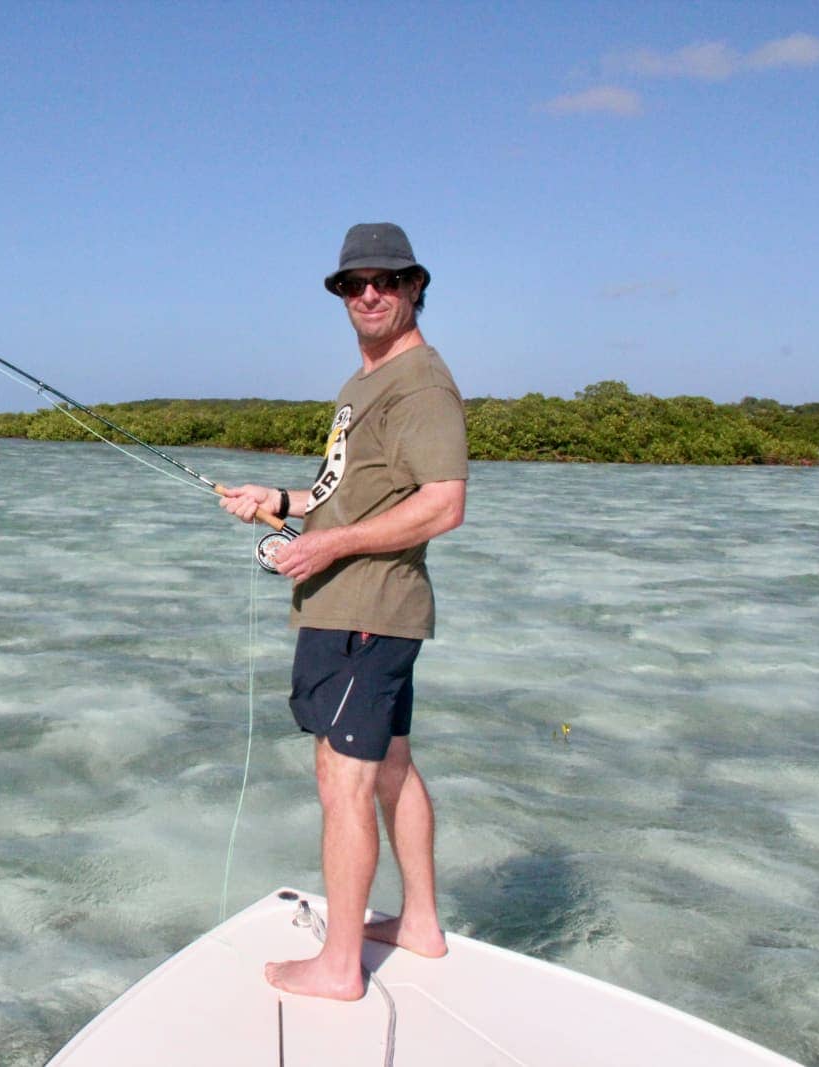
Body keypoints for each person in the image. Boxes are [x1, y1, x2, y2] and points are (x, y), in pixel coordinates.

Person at [220, 222, 468, 1000]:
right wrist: (281, 501)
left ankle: (339, 966)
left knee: (344, 779)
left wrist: (329, 549)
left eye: (385, 281)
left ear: (415, 287)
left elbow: (444, 504)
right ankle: (420, 922)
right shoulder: (364, 383)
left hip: (370, 611)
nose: (369, 294)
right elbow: (340, 493)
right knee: (390, 764)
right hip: (354, 608)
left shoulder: (421, 384)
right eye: (354, 283)